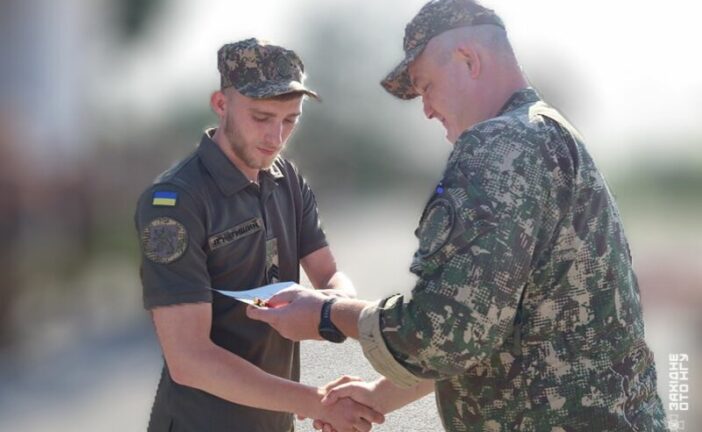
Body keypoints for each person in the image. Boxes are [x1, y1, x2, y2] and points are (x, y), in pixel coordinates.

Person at [246, 1, 670, 431]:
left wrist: (325, 315)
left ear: (468, 59)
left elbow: (445, 331)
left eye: (425, 85)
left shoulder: (498, 145)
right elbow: (490, 325)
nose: (426, 108)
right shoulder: (547, 133)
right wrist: (378, 396)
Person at [134, 38, 384, 432]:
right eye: (262, 117)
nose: (277, 136)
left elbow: (329, 274)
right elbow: (189, 359)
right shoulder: (175, 201)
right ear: (221, 104)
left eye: (290, 120)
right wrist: (319, 403)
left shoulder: (287, 178)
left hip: (274, 420)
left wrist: (328, 311)